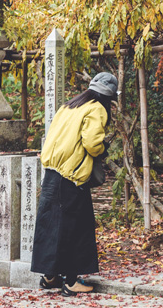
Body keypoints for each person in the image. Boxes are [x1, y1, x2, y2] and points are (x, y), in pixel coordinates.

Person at [32, 71, 118, 295]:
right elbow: (91, 143)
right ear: (108, 97)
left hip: (52, 172)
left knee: (50, 226)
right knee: (73, 228)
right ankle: (71, 281)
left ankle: (50, 277)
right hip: (71, 176)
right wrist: (102, 149)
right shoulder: (96, 109)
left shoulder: (69, 106)